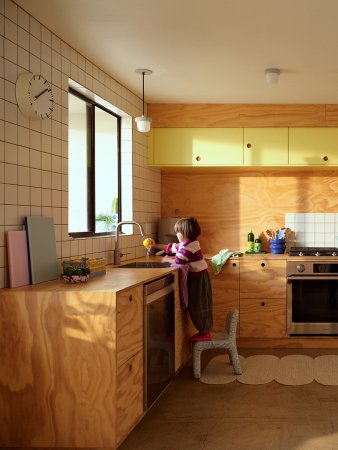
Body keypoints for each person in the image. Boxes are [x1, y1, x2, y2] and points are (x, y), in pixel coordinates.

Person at [150, 217, 213, 341]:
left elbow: (179, 260)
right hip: (198, 278)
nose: (176, 234)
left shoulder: (189, 247)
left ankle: (204, 332)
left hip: (199, 280)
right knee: (197, 304)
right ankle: (203, 330)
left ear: (184, 234)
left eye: (177, 232)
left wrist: (166, 259)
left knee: (198, 305)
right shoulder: (188, 243)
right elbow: (171, 247)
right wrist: (155, 245)